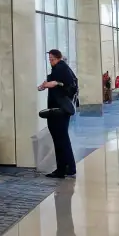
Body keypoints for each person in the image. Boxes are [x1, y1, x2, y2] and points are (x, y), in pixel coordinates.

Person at [39, 49, 78, 179]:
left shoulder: (62, 68)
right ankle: (67, 168)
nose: (51, 62)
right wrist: (47, 84)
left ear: (59, 58)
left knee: (60, 140)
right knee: (62, 140)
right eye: (50, 59)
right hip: (59, 110)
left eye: (53, 59)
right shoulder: (60, 69)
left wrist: (55, 83)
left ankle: (63, 169)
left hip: (59, 110)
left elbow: (69, 85)